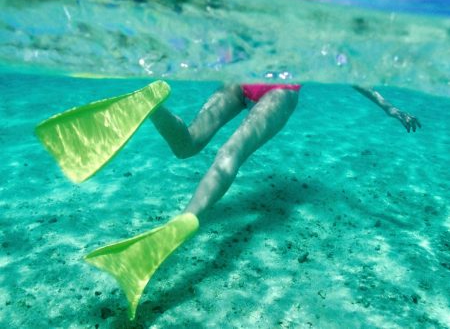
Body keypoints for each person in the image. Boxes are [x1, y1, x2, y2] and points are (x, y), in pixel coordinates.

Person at [84, 82, 421, 320]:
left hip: (241, 79)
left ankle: (153, 106)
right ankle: (183, 222)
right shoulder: (320, 33)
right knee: (231, 154)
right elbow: (356, 79)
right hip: (280, 92)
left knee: (187, 143)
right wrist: (388, 107)